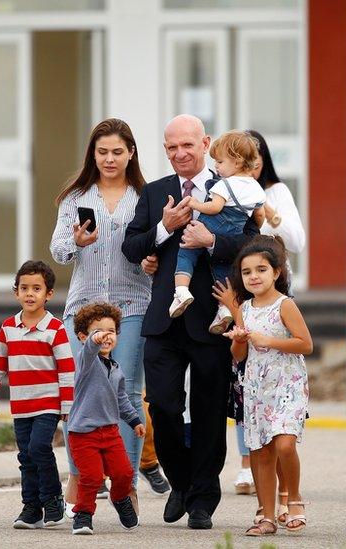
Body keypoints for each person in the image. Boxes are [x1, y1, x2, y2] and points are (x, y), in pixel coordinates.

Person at [122, 114, 259, 530]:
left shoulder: (232, 186)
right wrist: (166, 226)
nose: (180, 154)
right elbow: (132, 246)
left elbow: (255, 245)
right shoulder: (156, 192)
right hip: (164, 317)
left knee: (208, 411)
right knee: (162, 405)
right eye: (171, 148)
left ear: (205, 143)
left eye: (187, 145)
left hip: (213, 318)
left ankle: (202, 498)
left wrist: (212, 241)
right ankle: (180, 482)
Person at [49, 118, 153, 512]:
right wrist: (75, 242)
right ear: (92, 154)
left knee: (126, 391)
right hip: (84, 310)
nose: (109, 159)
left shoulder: (146, 196)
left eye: (117, 152)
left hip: (132, 306)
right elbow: (58, 251)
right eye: (102, 151)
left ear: (131, 154)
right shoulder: (76, 196)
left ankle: (126, 484)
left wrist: (153, 262)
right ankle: (80, 477)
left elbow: (155, 245)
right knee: (81, 394)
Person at [229, 130, 308, 503]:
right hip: (238, 296)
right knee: (244, 379)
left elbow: (295, 239)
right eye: (242, 156)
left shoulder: (275, 192)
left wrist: (268, 216)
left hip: (273, 296)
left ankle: (289, 493)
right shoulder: (222, 192)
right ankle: (247, 463)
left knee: (279, 420)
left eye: (256, 155)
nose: (251, 162)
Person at [220, 235, 312, 537]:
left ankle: (295, 500)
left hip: (288, 383)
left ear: (276, 272)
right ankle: (267, 516)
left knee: (285, 443)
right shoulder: (244, 309)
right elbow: (239, 356)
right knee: (260, 451)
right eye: (247, 272)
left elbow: (305, 344)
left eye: (261, 269)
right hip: (257, 386)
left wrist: (268, 340)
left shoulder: (285, 305)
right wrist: (239, 342)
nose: (254, 276)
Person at [0, 260, 74, 530]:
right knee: (26, 456)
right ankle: (32, 508)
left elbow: (67, 370)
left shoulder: (56, 329)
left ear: (49, 294)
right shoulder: (8, 328)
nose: (30, 294)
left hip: (48, 404)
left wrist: (66, 405)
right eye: (24, 288)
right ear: (16, 292)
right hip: (21, 405)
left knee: (39, 448)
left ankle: (53, 498)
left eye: (36, 288)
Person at [170, 129, 266, 335]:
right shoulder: (256, 188)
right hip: (233, 233)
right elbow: (259, 217)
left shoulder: (224, 184)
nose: (216, 166)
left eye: (220, 162)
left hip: (212, 226)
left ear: (237, 162)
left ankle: (181, 291)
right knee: (224, 270)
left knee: (187, 251)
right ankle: (224, 309)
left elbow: (214, 207)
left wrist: (196, 204)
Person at [67, 302, 147, 535]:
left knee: (124, 473)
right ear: (83, 337)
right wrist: (95, 340)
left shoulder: (116, 368)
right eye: (98, 331)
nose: (105, 336)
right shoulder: (86, 361)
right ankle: (83, 514)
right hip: (83, 433)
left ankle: (121, 499)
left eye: (111, 331)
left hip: (110, 432)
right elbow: (91, 348)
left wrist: (134, 421)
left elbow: (121, 399)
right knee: (91, 477)